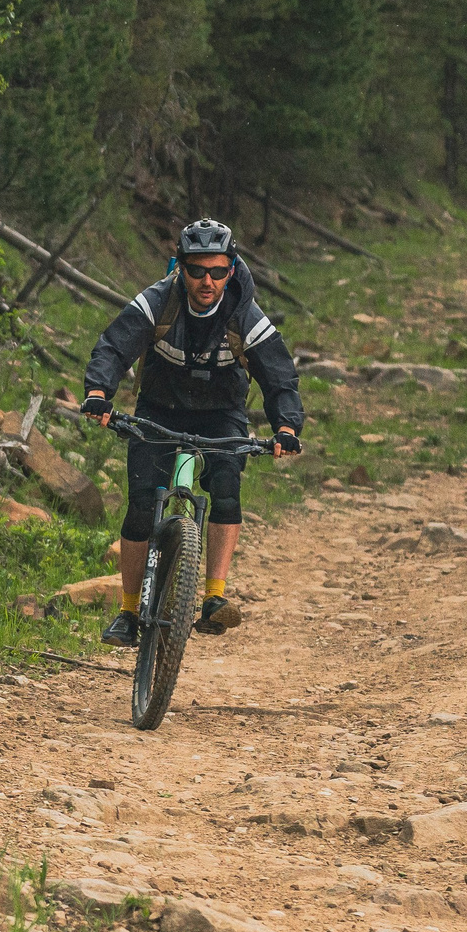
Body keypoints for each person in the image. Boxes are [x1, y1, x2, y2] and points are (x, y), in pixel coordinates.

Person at [80, 217, 303, 646]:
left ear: (231, 270)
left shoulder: (244, 316)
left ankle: (214, 598)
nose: (208, 280)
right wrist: (97, 394)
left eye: (218, 271)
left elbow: (279, 377)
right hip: (159, 410)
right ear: (180, 267)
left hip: (222, 414)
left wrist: (287, 427)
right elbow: (114, 346)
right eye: (198, 270)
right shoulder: (158, 302)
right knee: (142, 504)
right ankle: (128, 611)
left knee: (225, 489)